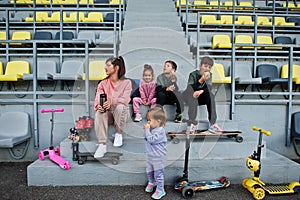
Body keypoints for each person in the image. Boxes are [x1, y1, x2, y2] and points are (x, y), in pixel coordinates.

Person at [93, 56, 132, 158]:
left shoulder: (127, 83)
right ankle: (102, 145)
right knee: (99, 112)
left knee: (120, 107)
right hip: (109, 114)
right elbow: (98, 98)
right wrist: (99, 106)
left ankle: (118, 134)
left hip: (121, 113)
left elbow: (125, 99)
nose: (105, 68)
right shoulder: (102, 83)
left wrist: (112, 102)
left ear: (116, 68)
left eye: (108, 65)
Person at [183, 56, 224, 134]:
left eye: (209, 67)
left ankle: (212, 123)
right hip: (189, 95)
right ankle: (191, 123)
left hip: (200, 96)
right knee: (192, 96)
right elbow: (190, 88)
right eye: (205, 66)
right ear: (200, 66)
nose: (207, 69)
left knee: (211, 96)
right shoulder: (193, 74)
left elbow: (209, 88)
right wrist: (201, 81)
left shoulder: (209, 75)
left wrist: (200, 91)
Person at [143, 106, 167, 200]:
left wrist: (147, 130)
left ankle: (161, 189)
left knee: (158, 174)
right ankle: (152, 182)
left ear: (158, 121)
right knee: (149, 171)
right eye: (148, 120)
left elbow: (151, 140)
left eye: (150, 120)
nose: (148, 122)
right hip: (150, 155)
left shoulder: (160, 131)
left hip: (158, 157)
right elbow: (146, 138)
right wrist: (146, 130)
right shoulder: (152, 129)